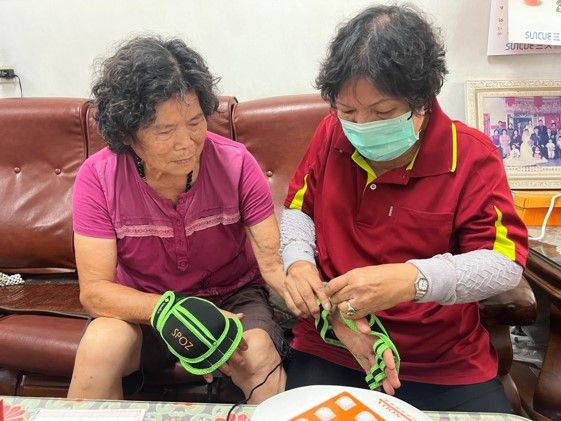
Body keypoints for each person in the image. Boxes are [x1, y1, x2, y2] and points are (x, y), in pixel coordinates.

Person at [280, 5, 528, 413]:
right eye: (348, 111)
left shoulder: (472, 156)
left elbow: (504, 263)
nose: (361, 126)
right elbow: (298, 211)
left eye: (382, 113)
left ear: (422, 100)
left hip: (442, 362)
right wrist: (299, 262)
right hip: (335, 341)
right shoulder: (330, 134)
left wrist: (414, 280)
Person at [68, 36, 288, 403]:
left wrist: (317, 301)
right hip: (145, 307)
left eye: (195, 121)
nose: (187, 143)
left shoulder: (237, 164)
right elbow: (95, 291)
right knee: (100, 347)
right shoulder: (99, 177)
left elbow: (273, 264)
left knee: (258, 354)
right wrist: (175, 312)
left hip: (232, 300)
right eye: (165, 131)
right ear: (127, 133)